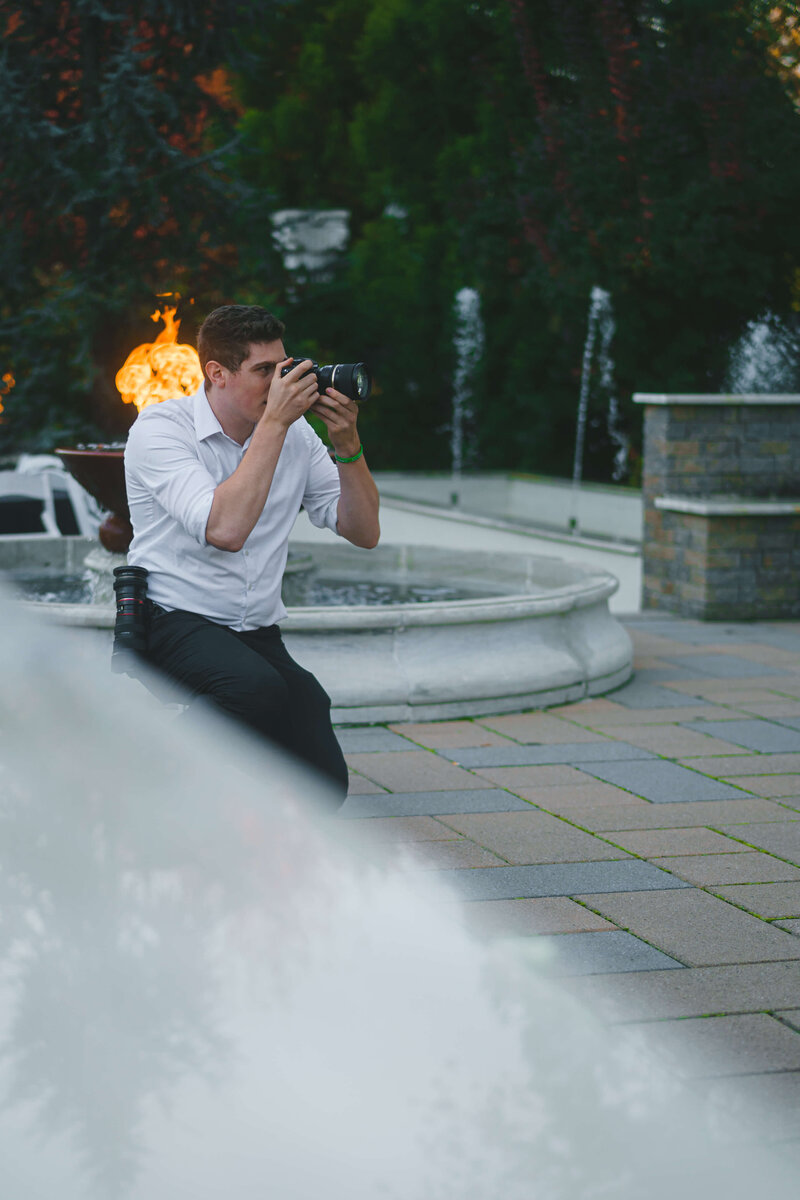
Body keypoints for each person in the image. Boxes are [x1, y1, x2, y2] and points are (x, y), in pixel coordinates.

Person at [124, 304, 380, 803]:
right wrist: (276, 425)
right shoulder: (160, 430)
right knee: (252, 689)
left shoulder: (298, 436)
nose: (281, 382)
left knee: (322, 785)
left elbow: (364, 531)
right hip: (171, 617)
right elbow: (225, 529)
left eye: (283, 367)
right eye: (265, 371)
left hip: (253, 630)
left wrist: (347, 442)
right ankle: (154, 788)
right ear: (216, 374)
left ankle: (235, 814)